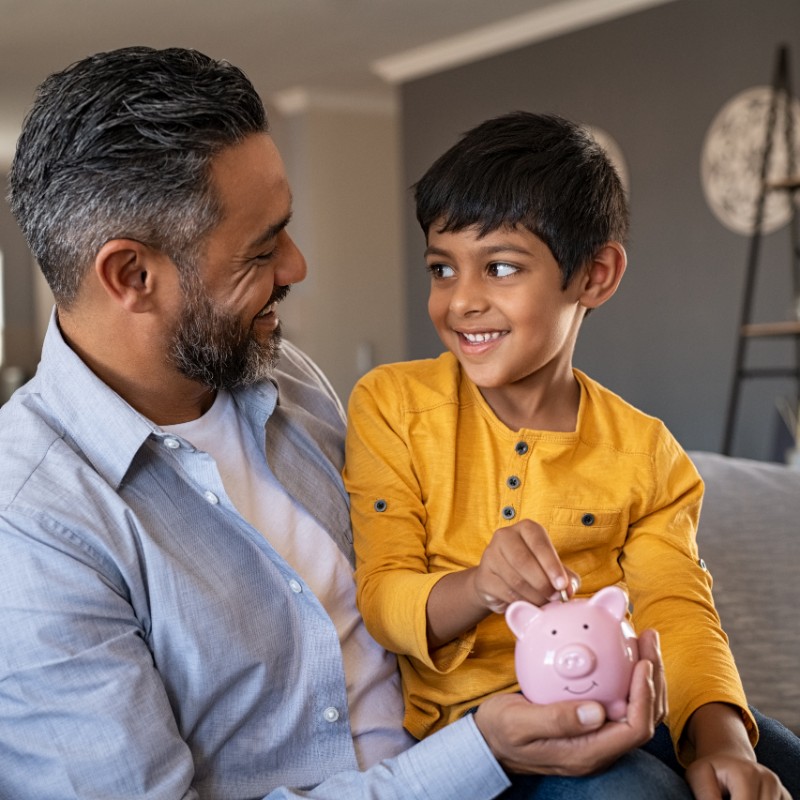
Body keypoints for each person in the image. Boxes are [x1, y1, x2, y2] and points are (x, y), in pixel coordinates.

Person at [0, 48, 673, 800]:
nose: (297, 265)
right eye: (262, 249)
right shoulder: (30, 523)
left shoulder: (284, 382)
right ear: (132, 276)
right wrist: (482, 753)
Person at [343, 111, 800, 799]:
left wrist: (724, 742)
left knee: (779, 760)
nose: (462, 300)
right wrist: (482, 586)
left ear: (595, 275)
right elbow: (384, 597)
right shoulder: (393, 406)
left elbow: (675, 606)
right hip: (487, 734)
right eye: (443, 267)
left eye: (499, 267)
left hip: (634, 700)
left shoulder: (647, 452)